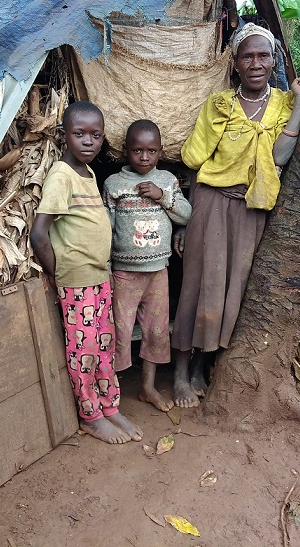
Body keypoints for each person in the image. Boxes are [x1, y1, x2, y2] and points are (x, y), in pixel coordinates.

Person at [171, 23, 300, 408]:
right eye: (247, 56)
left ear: (274, 60)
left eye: (263, 55)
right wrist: (186, 220)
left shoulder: (285, 104)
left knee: (234, 288)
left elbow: (280, 158)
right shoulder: (220, 106)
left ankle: (204, 364)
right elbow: (193, 159)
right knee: (198, 287)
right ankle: (181, 372)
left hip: (253, 208)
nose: (255, 63)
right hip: (211, 203)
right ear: (235, 63)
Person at [31, 101, 142, 444]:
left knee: (104, 346)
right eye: (80, 134)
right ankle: (91, 415)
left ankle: (110, 406)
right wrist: (57, 273)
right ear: (64, 136)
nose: (89, 142)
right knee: (85, 350)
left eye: (96, 135)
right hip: (76, 281)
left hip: (98, 277)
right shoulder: (62, 176)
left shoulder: (89, 172)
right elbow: (40, 233)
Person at [103, 120, 192, 412]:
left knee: (155, 331)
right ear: (125, 151)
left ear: (160, 151)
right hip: (124, 274)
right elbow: (107, 228)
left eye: (151, 151)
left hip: (158, 272)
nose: (144, 157)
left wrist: (162, 196)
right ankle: (111, 391)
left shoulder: (166, 180)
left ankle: (147, 387)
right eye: (137, 150)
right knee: (120, 331)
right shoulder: (114, 184)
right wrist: (106, 267)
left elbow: (186, 215)